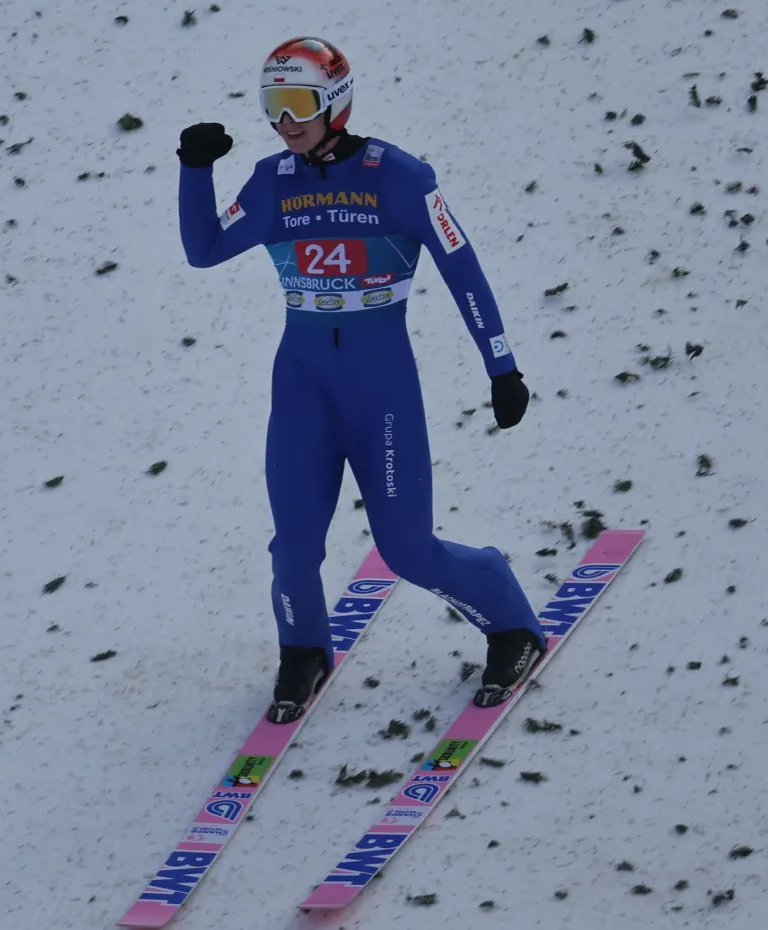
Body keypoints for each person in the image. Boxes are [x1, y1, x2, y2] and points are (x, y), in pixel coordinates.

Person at [177, 36, 545, 723]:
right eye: (271, 106)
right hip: (302, 387)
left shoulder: (399, 177)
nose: (285, 122)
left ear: (335, 102)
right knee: (292, 548)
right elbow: (203, 251)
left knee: (406, 550)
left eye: (298, 104)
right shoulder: (271, 183)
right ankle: (304, 651)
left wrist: (502, 367)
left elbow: (461, 268)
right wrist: (194, 170)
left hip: (381, 390)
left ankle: (509, 620)